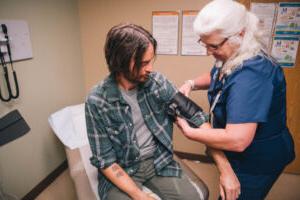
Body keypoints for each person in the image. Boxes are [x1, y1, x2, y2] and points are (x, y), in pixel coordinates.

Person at [178, 0, 295, 200]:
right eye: (204, 44)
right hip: (241, 148)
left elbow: (238, 140)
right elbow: (218, 74)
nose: (208, 52)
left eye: (213, 46)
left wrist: (191, 132)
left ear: (240, 34)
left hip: (257, 159)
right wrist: (191, 83)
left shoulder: (252, 76)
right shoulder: (234, 53)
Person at [85, 23, 208, 200]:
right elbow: (106, 161)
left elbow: (195, 115)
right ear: (121, 61)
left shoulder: (157, 83)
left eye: (151, 61)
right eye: (144, 63)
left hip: (157, 161)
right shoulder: (97, 101)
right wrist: (139, 196)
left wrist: (223, 162)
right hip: (123, 169)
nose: (150, 68)